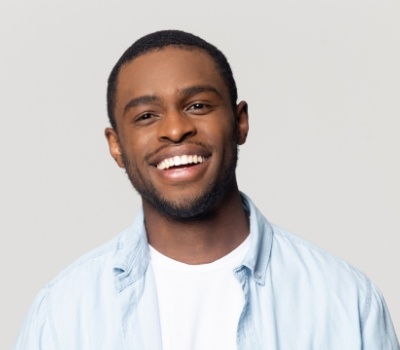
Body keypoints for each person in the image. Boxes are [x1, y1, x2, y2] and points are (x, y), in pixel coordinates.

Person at [14, 30, 399, 350]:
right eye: (147, 115)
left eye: (197, 105)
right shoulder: (63, 314)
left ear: (240, 121)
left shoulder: (347, 301)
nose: (176, 129)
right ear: (116, 146)